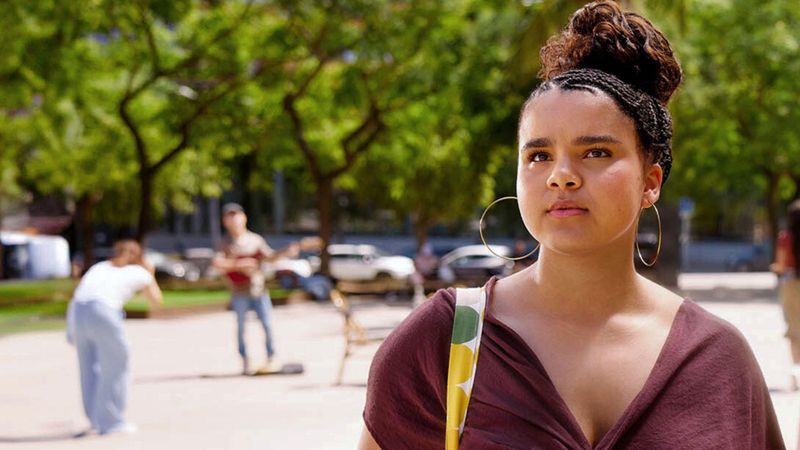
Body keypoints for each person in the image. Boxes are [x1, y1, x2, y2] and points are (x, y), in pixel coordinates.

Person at [359, 2, 784, 449]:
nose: (561, 175)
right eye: (538, 155)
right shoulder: (442, 341)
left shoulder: (717, 358)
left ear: (651, 182)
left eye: (596, 152)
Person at [67, 239, 163, 435]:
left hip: (78, 312)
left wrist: (70, 331)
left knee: (89, 367)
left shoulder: (99, 267)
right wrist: (151, 275)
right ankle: (112, 422)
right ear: (138, 257)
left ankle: (95, 418)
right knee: (117, 364)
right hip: (103, 311)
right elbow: (156, 301)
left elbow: (78, 295)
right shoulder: (137, 271)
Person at [212, 202, 300, 375]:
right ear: (225, 221)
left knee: (267, 324)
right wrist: (239, 265)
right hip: (239, 292)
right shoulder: (224, 243)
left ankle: (271, 357)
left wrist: (285, 253)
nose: (234, 219)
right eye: (230, 216)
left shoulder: (255, 240)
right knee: (241, 328)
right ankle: (245, 359)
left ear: (244, 218)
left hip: (258, 290)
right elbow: (217, 263)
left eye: (236, 215)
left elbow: (270, 257)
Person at [771, 199, 800, 390]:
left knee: (795, 328)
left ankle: (797, 373)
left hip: (791, 282)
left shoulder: (785, 237)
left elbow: (781, 265)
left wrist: (774, 267)